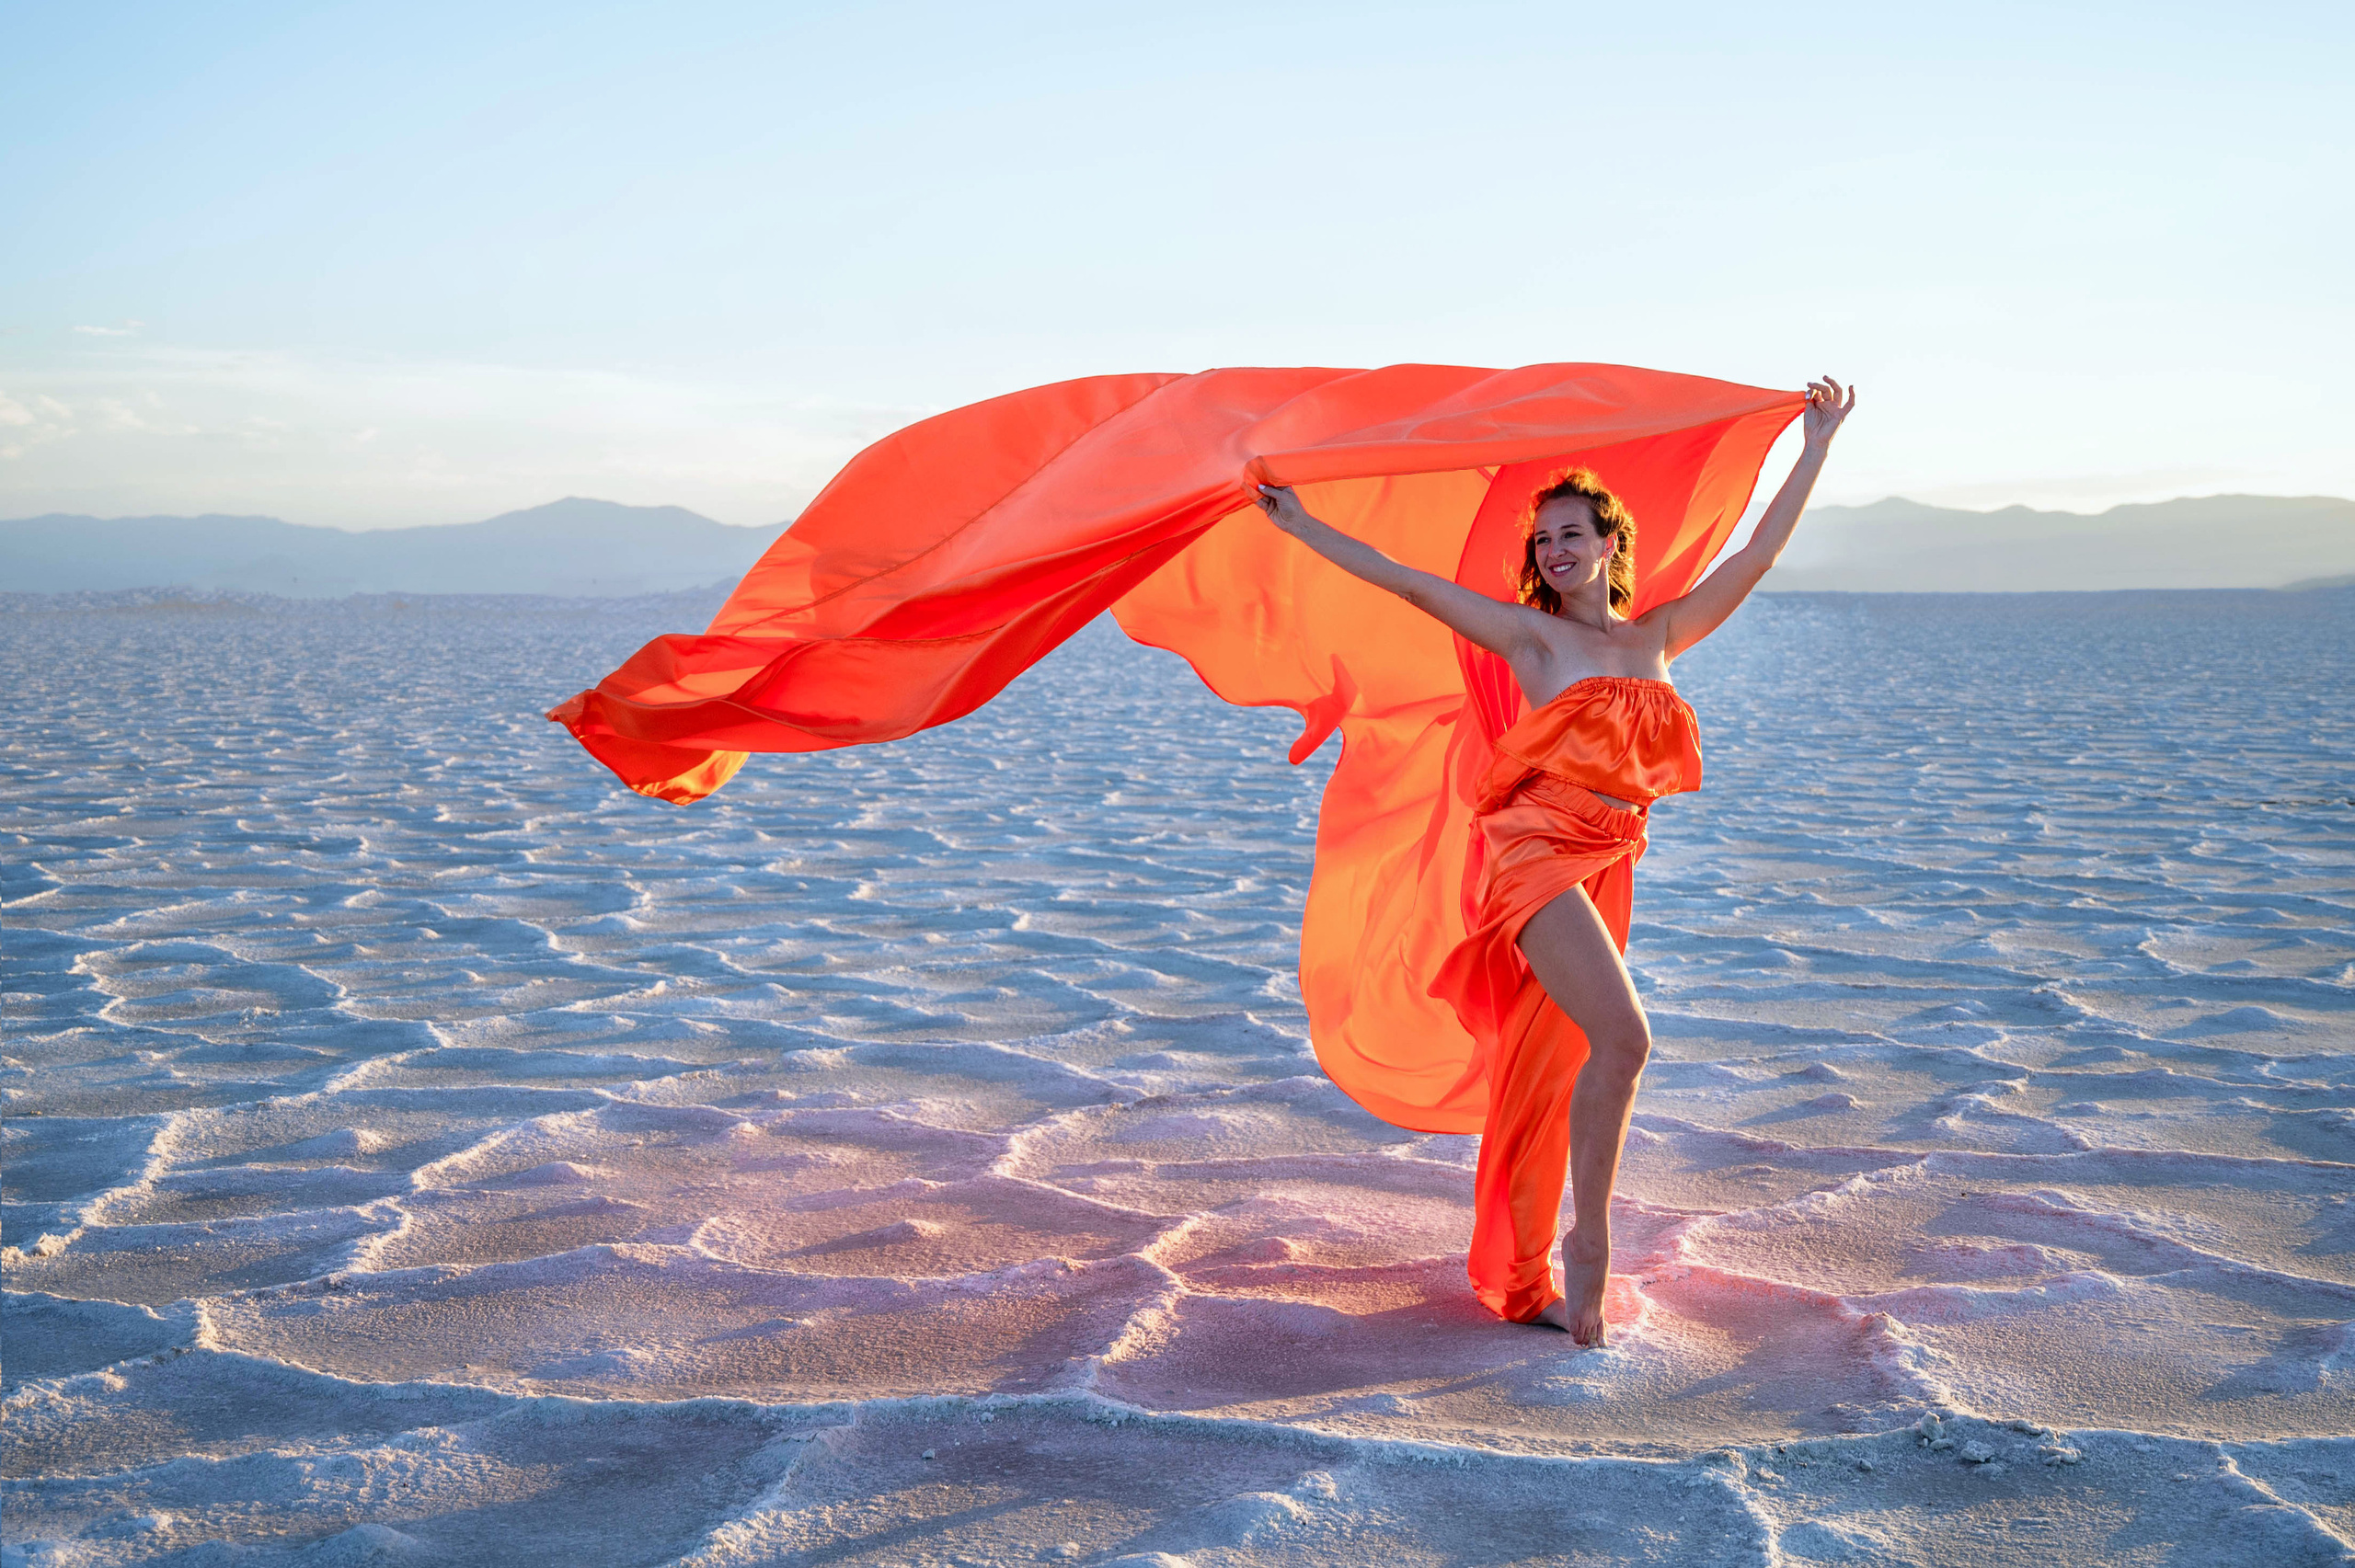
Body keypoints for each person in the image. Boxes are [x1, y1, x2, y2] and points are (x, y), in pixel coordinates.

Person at [1252, 376, 1856, 1345]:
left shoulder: (1659, 634)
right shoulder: (1530, 638)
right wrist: (1302, 527)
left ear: (1611, 543)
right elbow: (1408, 582)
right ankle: (1591, 1247)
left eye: (1571, 534)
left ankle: (1523, 1267)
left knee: (1556, 1062)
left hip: (1610, 856)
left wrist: (1815, 446)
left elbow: (1757, 552)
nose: (1555, 550)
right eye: (1543, 540)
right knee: (1626, 1039)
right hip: (1535, 850)